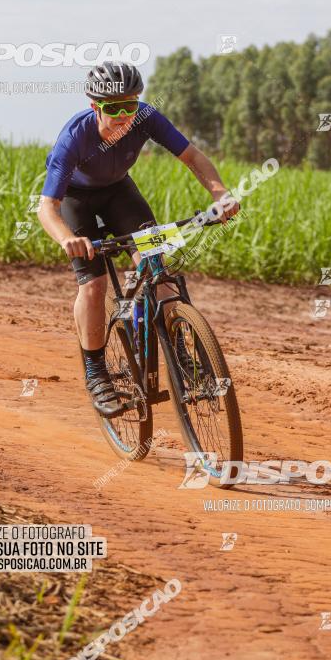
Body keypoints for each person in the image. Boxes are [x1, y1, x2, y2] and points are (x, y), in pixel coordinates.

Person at [38, 61, 238, 416]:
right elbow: (47, 208)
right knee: (94, 285)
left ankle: (181, 352)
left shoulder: (146, 117)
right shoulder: (75, 137)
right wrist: (67, 238)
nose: (122, 116)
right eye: (113, 109)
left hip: (120, 194)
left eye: (129, 106)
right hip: (76, 200)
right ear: (95, 107)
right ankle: (96, 372)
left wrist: (220, 195)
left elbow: (193, 157)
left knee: (157, 270)